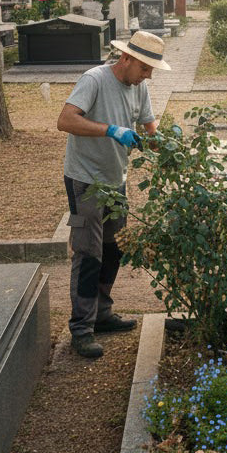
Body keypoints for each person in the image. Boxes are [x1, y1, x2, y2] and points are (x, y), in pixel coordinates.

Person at [56, 31, 171, 358]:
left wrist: (166, 148)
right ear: (127, 58)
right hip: (85, 180)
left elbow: (150, 129)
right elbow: (65, 120)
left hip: (114, 179)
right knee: (88, 252)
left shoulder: (140, 87)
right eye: (146, 68)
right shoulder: (93, 80)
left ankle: (102, 313)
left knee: (114, 247)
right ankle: (81, 328)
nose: (148, 75)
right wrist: (110, 129)